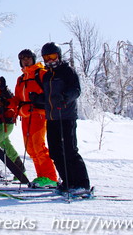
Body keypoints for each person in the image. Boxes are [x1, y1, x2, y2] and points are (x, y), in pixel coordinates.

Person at [40, 42, 91, 196]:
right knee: (55, 152)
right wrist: (36, 99)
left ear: (59, 56)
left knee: (70, 150)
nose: (50, 60)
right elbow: (48, 97)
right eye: (47, 57)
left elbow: (76, 90)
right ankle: (68, 182)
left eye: (53, 56)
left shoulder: (67, 71)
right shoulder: (47, 75)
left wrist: (65, 97)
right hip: (52, 118)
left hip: (66, 116)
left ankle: (82, 184)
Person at [12, 49, 59, 188]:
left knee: (39, 146)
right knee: (30, 148)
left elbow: (51, 93)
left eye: (28, 58)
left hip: (39, 114)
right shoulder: (21, 79)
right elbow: (17, 99)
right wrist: (8, 102)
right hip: (25, 116)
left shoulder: (41, 73)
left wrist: (38, 101)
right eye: (23, 59)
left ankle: (50, 177)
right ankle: (41, 176)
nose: (26, 61)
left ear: (33, 59)